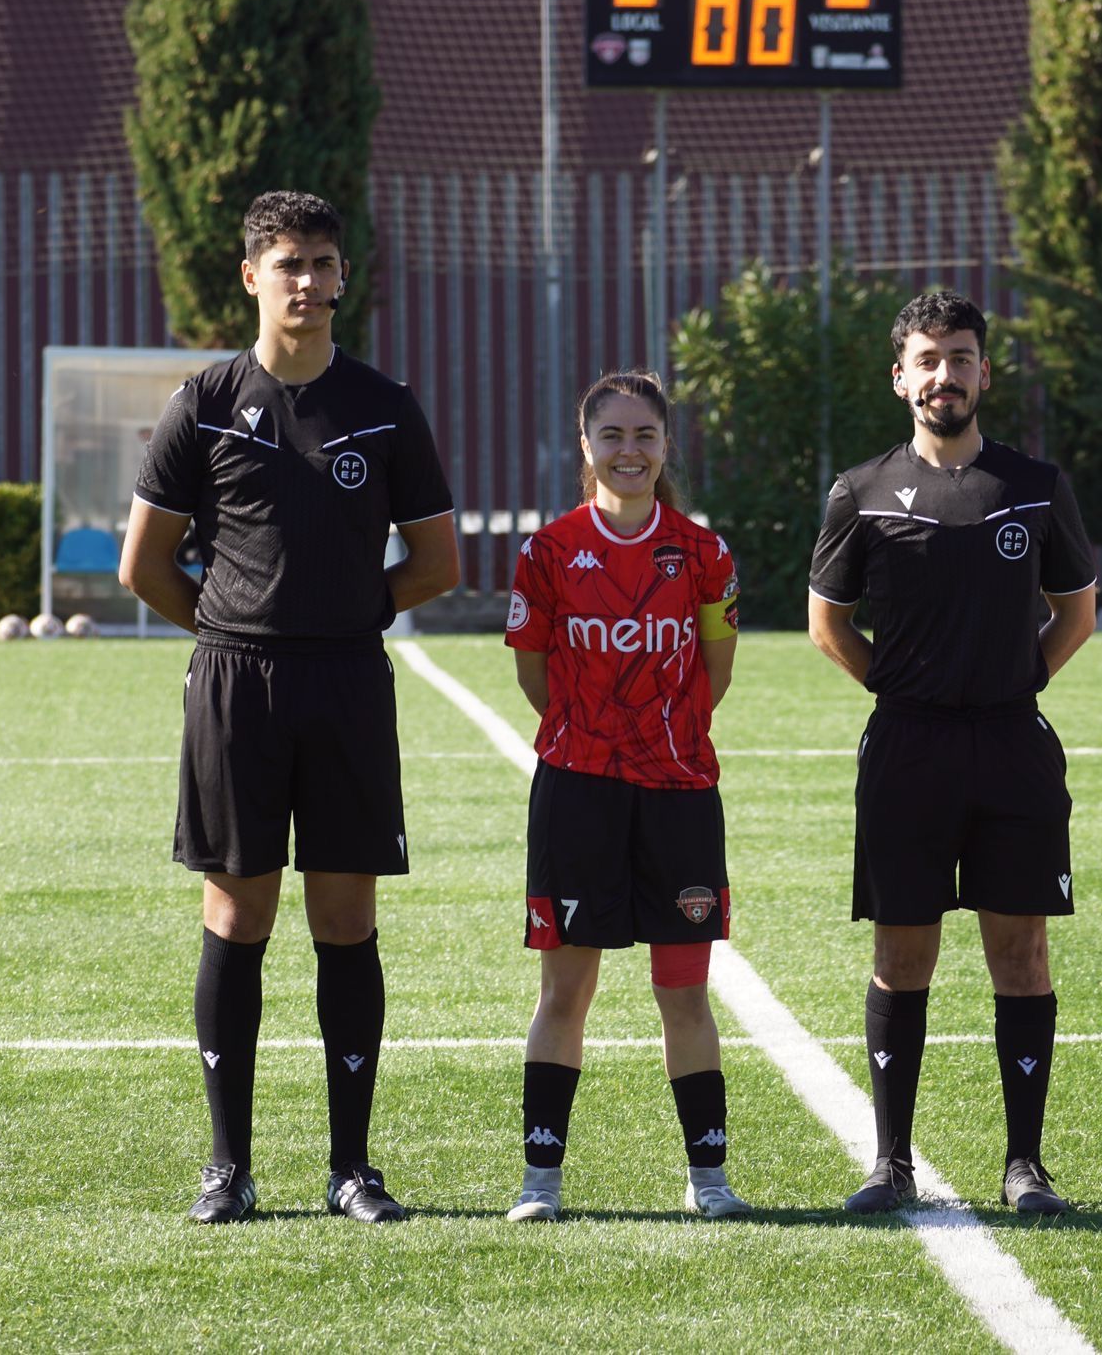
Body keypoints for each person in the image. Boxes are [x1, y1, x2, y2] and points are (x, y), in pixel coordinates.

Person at [118, 190, 461, 1225]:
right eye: (286, 263)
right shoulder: (206, 401)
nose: (305, 281)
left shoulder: (385, 405)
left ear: (342, 276)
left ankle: (351, 1167)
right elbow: (143, 564)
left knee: (345, 919)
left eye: (321, 262)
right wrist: (232, 626)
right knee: (237, 912)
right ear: (250, 277)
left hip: (349, 680)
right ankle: (229, 1166)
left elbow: (438, 564)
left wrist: (345, 614)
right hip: (235, 684)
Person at [808, 290, 1097, 1216]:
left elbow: (1076, 612)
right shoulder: (860, 490)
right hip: (907, 746)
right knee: (904, 955)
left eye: (961, 357)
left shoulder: (1035, 485)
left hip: (1012, 745)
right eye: (928, 360)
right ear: (901, 377)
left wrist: (1015, 684)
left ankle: (1026, 1165)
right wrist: (904, 690)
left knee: (1022, 954)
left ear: (983, 371)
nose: (946, 375)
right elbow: (829, 623)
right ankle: (891, 1163)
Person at [499, 371, 748, 1223]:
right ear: (586, 447)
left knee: (683, 991)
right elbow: (533, 673)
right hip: (578, 793)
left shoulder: (705, 554)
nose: (629, 451)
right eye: (613, 436)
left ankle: (709, 1180)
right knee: (564, 994)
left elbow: (715, 675)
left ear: (666, 446)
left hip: (679, 793)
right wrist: (596, 737)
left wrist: (659, 737)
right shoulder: (546, 552)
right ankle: (541, 1180)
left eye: (646, 436)